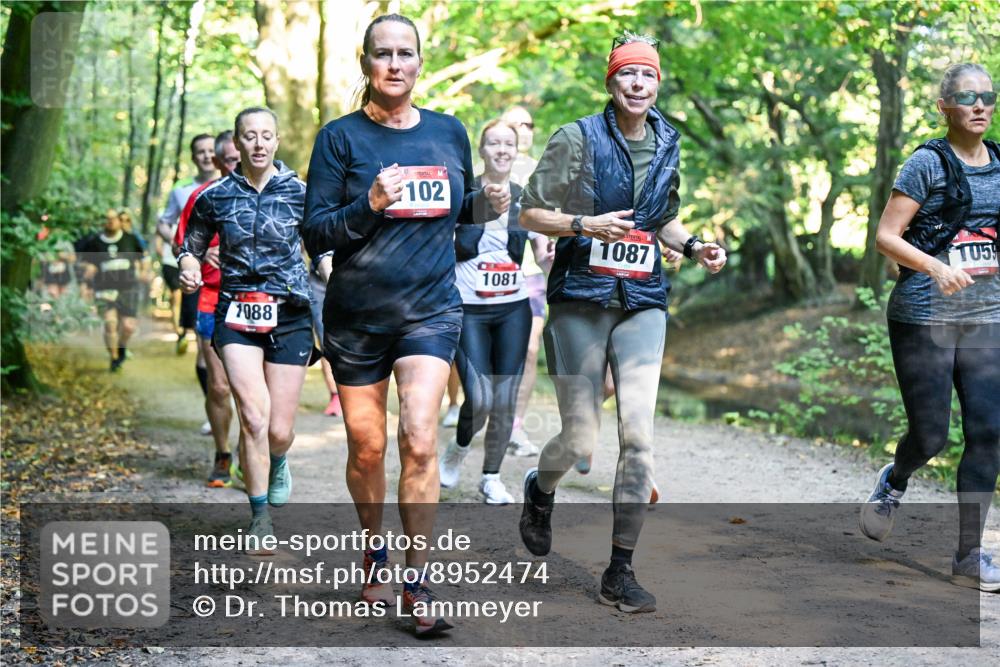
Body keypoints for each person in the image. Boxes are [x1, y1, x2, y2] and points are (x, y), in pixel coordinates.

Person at [302, 13, 504, 637]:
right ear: (365, 64)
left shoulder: (449, 133)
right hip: (358, 317)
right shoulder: (340, 138)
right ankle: (373, 547)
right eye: (383, 54)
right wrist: (370, 205)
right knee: (367, 446)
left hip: (430, 311)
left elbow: (462, 228)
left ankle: (416, 580)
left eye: (406, 53)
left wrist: (484, 209)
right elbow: (315, 232)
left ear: (420, 62)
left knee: (420, 436)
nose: (395, 64)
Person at [517, 32, 727, 613]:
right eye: (628, 75)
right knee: (581, 437)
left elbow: (662, 221)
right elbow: (529, 211)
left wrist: (698, 246)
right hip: (581, 298)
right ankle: (541, 488)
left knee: (639, 440)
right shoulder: (575, 137)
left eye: (649, 76)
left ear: (658, 84)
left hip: (642, 299)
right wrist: (585, 226)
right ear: (612, 82)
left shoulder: (668, 142)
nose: (639, 84)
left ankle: (620, 569)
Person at [859, 63, 999, 592]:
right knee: (933, 434)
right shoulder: (926, 164)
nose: (980, 105)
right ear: (945, 106)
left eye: (988, 95)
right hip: (924, 312)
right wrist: (938, 267)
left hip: (987, 314)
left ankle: (968, 557)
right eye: (968, 97)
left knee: (989, 431)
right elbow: (886, 238)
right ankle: (895, 481)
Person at [179, 107, 312, 548]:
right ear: (237, 143)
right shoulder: (215, 196)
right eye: (249, 136)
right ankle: (259, 518)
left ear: (277, 141)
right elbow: (191, 244)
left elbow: (322, 243)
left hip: (289, 314)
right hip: (236, 313)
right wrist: (189, 265)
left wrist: (330, 268)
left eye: (266, 135)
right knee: (253, 418)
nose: (258, 144)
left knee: (278, 430)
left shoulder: (300, 192)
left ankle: (279, 459)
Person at [438, 119, 551, 504]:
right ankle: (459, 445)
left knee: (504, 398)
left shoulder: (526, 198)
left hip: (512, 308)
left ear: (516, 152)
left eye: (509, 144)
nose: (502, 150)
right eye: (494, 143)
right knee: (481, 398)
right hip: (468, 306)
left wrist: (549, 257)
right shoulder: (463, 193)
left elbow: (540, 252)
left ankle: (491, 477)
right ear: (482, 150)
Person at [174, 130, 242, 488]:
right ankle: (222, 453)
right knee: (218, 386)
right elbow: (181, 248)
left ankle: (252, 454)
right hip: (212, 300)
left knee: (251, 386)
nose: (235, 165)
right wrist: (198, 259)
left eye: (238, 157)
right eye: (227, 160)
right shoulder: (202, 197)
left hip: (258, 302)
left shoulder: (275, 194)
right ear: (217, 162)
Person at [500, 105, 555, 457]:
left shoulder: (543, 171)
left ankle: (515, 427)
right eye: (514, 123)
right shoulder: (482, 170)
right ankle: (475, 410)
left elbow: (551, 221)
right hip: (489, 277)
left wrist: (550, 260)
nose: (523, 129)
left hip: (531, 276)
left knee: (530, 349)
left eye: (528, 123)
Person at [159, 134, 217, 356]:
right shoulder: (181, 189)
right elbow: (164, 224)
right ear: (193, 157)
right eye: (201, 151)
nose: (207, 156)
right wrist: (185, 248)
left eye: (211, 150)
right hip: (195, 270)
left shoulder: (234, 182)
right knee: (201, 332)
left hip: (226, 270)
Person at [78, 209, 147, 372]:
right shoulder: (94, 242)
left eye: (113, 218)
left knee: (128, 326)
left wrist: (144, 271)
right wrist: (86, 283)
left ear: (119, 220)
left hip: (128, 289)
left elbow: (143, 258)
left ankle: (121, 347)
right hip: (103, 288)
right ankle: (114, 358)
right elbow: (85, 264)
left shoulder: (130, 239)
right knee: (110, 324)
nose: (110, 222)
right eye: (106, 219)